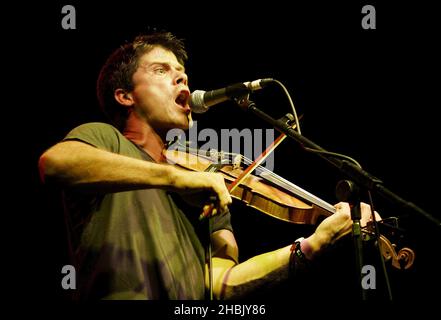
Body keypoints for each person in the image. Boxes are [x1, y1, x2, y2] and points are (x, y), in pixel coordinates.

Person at [39, 31, 379, 300]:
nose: (182, 80)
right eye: (161, 71)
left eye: (183, 74)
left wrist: (312, 244)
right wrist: (172, 177)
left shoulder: (204, 188)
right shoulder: (106, 140)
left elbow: (220, 286)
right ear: (125, 95)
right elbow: (55, 163)